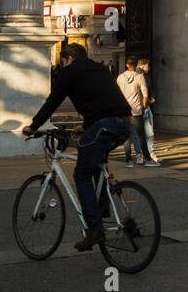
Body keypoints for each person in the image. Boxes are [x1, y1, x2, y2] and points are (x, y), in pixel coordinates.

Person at [23, 42, 133, 250]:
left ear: (68, 59)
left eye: (63, 62)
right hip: (124, 123)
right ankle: (103, 210)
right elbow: (102, 100)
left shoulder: (70, 71)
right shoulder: (100, 68)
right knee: (97, 161)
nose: (63, 66)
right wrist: (86, 126)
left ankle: (95, 230)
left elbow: (52, 101)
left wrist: (33, 126)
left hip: (103, 124)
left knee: (81, 175)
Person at [116, 58, 154, 167]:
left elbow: (117, 94)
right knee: (141, 135)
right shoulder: (139, 77)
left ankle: (128, 160)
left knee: (127, 136)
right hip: (136, 110)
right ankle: (147, 159)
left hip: (124, 111)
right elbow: (145, 95)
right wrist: (143, 108)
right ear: (135, 65)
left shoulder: (120, 77)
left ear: (127, 65)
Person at [136, 58, 158, 163]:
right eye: (147, 66)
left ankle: (150, 152)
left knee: (149, 132)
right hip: (137, 108)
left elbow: (149, 91)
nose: (148, 68)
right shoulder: (134, 77)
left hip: (147, 107)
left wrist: (151, 98)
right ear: (142, 66)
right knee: (138, 133)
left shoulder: (147, 78)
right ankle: (139, 154)